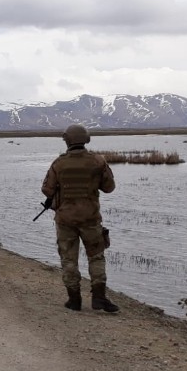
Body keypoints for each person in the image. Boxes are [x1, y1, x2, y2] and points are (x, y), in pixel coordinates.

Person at [41, 124, 119, 313]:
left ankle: (74, 300)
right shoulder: (97, 161)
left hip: (65, 220)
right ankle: (99, 298)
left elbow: (47, 189)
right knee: (96, 257)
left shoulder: (58, 163)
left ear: (67, 140)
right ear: (86, 139)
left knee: (69, 259)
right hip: (90, 218)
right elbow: (109, 187)